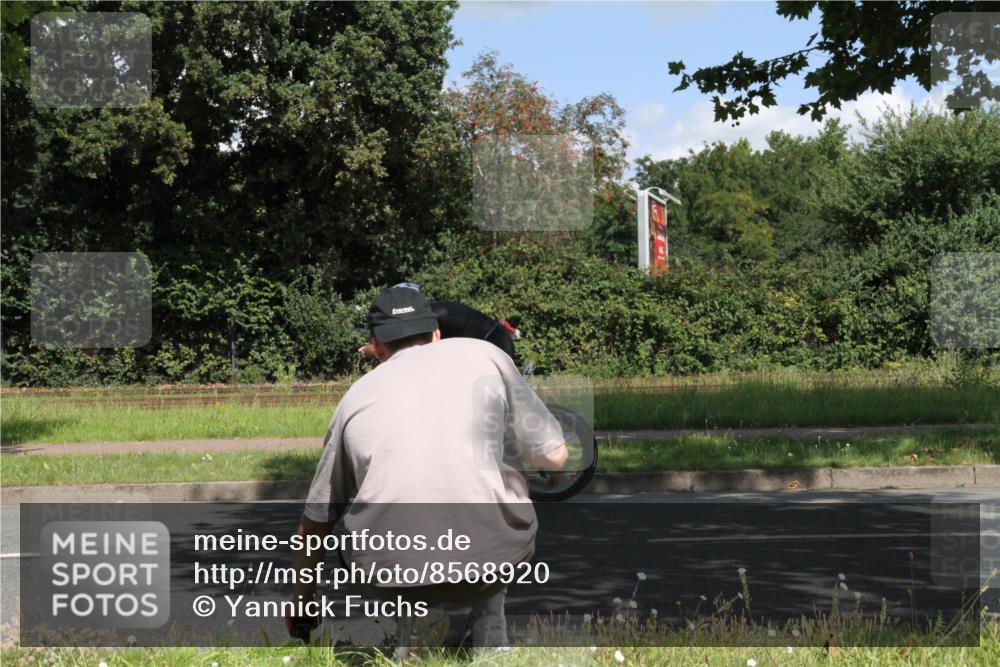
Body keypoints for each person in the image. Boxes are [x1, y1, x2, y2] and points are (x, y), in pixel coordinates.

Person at [287, 286, 567, 656]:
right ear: (436, 334)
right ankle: (490, 623)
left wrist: (302, 602)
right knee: (500, 459)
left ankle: (415, 623)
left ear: (377, 347)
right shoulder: (487, 357)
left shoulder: (354, 397)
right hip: (494, 562)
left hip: (394, 574)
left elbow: (315, 524)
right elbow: (556, 457)